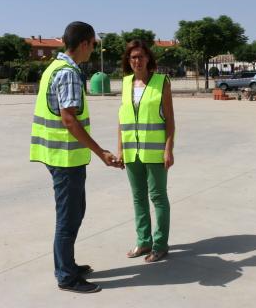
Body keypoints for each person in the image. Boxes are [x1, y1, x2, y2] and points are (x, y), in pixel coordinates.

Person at [30, 21, 120, 293]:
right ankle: (66, 276)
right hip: (65, 158)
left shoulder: (53, 68)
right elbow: (69, 120)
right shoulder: (68, 73)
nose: (93, 49)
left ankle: (67, 264)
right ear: (84, 44)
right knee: (68, 218)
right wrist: (101, 151)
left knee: (74, 212)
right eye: (93, 44)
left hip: (56, 155)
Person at [117, 40, 175, 263]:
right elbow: (122, 120)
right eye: (133, 57)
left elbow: (170, 120)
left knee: (158, 198)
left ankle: (160, 245)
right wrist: (120, 149)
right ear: (128, 61)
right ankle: (143, 242)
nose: (137, 61)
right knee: (138, 198)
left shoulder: (162, 82)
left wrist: (168, 149)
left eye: (141, 56)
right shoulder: (125, 84)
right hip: (132, 152)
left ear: (148, 58)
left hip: (155, 151)